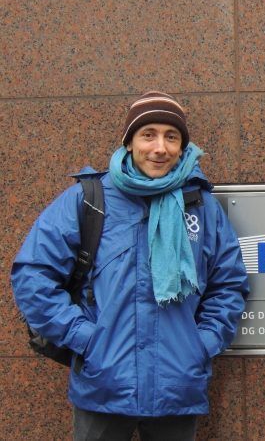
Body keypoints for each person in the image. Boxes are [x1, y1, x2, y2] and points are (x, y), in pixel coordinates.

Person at [11, 91, 249, 440]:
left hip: (176, 386)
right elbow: (33, 275)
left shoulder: (202, 207)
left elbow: (228, 285)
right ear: (129, 142)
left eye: (171, 137)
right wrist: (85, 339)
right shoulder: (88, 200)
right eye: (148, 134)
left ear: (182, 146)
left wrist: (201, 344)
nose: (160, 148)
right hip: (104, 384)